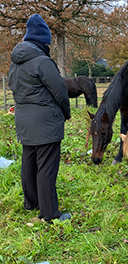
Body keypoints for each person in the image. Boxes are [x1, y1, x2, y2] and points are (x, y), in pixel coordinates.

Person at [9, 14, 71, 222]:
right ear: (44, 41)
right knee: (46, 166)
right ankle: (50, 214)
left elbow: (14, 88)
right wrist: (66, 112)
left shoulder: (16, 62)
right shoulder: (42, 61)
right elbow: (60, 90)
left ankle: (31, 203)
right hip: (45, 122)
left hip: (24, 120)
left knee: (29, 162)